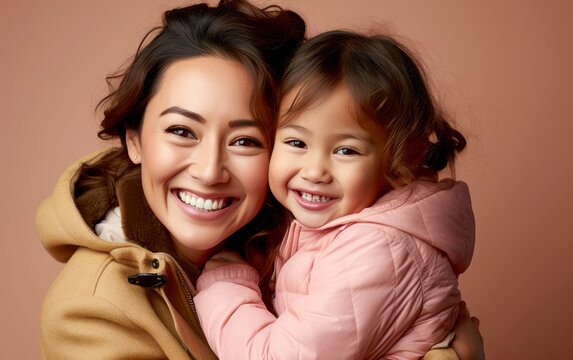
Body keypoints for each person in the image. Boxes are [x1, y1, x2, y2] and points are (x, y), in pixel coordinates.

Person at [37, 1, 483, 358]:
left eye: (246, 140)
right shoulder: (90, 311)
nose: (210, 170)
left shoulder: (306, 232)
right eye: (181, 131)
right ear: (133, 140)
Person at [193, 30, 476, 359]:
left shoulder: (381, 251)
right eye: (297, 143)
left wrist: (224, 282)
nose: (314, 171)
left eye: (346, 150)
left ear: (405, 157)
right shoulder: (327, 225)